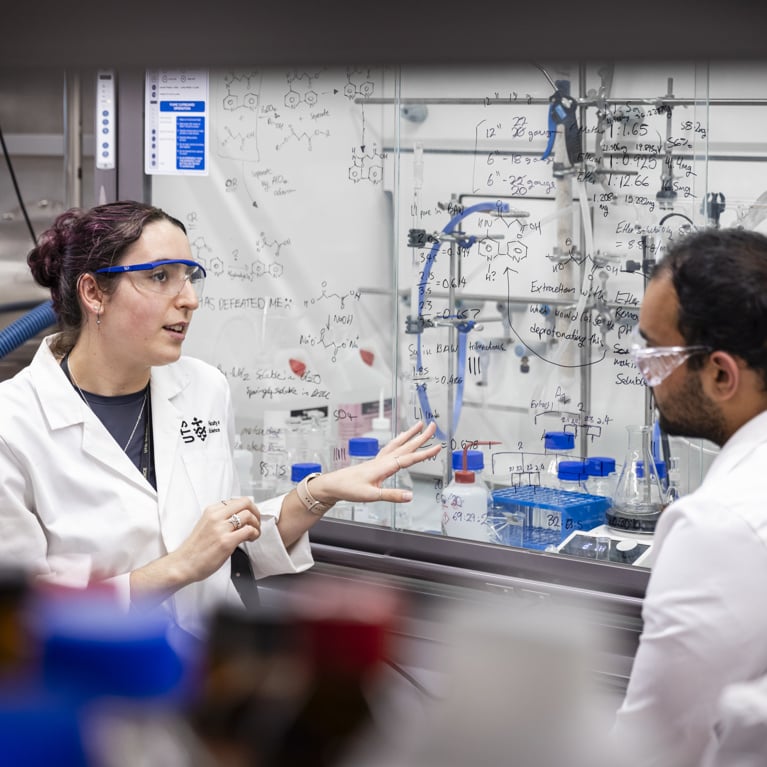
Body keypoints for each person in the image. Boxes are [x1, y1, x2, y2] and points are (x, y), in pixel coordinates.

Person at [0, 201, 441, 639]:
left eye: (189, 277)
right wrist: (178, 568)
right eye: (160, 277)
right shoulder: (14, 425)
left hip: (211, 669)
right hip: (99, 678)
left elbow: (230, 542)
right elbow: (23, 620)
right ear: (94, 293)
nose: (189, 300)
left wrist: (319, 492)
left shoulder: (204, 389)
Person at [611, 228, 767, 766]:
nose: (647, 374)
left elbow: (651, 749)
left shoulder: (720, 526)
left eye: (657, 354)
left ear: (721, 374)